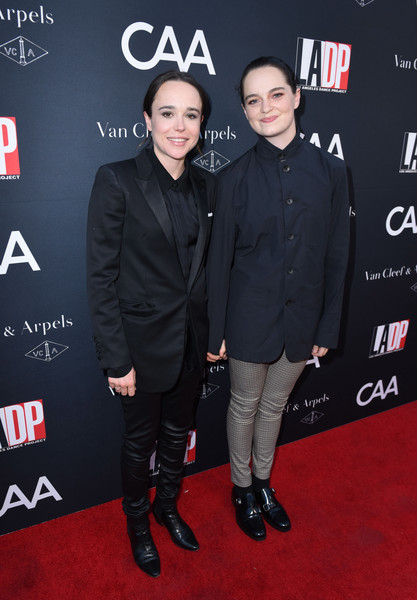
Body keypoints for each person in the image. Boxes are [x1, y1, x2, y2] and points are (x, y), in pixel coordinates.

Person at [206, 56, 350, 541]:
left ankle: (264, 484)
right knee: (245, 404)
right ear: (245, 112)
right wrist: (217, 330)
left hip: (304, 320)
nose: (266, 107)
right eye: (253, 100)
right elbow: (220, 263)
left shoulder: (333, 171)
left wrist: (327, 325)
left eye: (275, 94)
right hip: (248, 320)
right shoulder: (232, 179)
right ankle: (241, 488)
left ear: (297, 96)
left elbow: (337, 255)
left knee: (274, 406)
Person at [87, 70, 215, 577]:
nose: (179, 126)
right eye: (168, 113)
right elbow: (101, 277)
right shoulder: (116, 179)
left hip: (192, 343)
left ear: (201, 125)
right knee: (140, 444)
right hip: (139, 350)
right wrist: (115, 359)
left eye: (191, 115)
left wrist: (213, 333)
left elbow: (208, 271)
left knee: (178, 434)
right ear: (147, 119)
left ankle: (167, 508)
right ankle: (138, 525)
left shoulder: (208, 185)